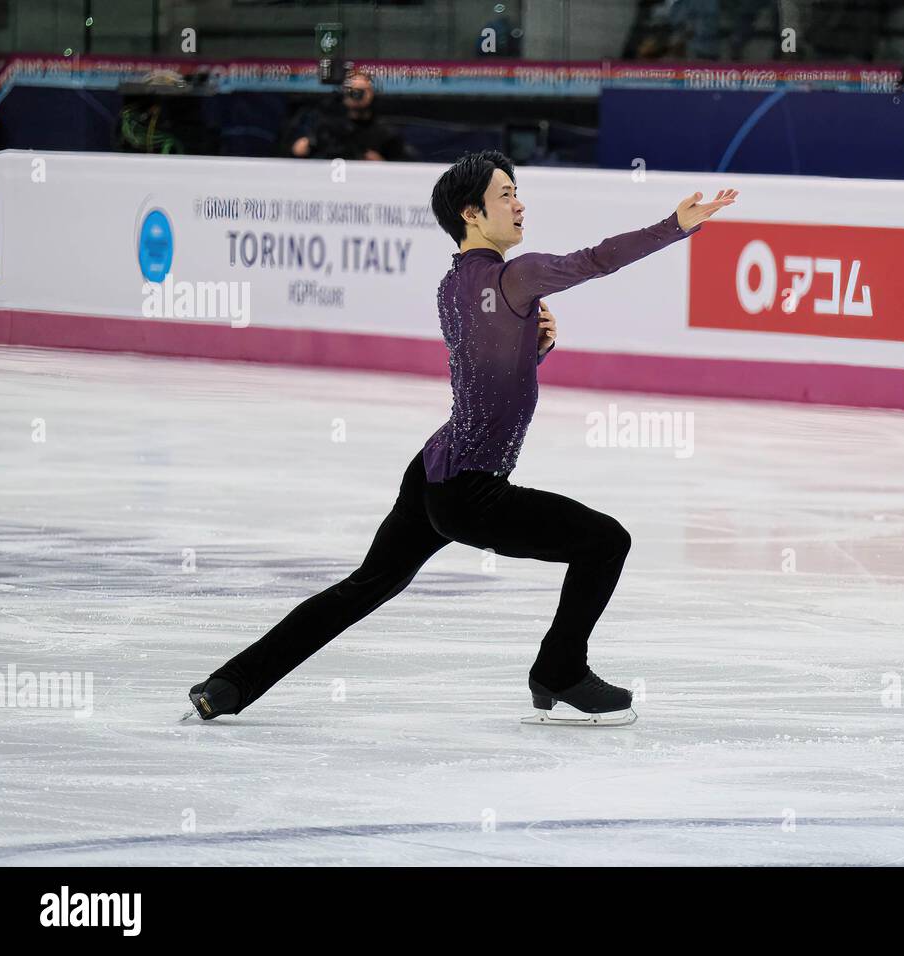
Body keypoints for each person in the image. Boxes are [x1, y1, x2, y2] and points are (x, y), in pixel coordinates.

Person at [185, 150, 738, 725]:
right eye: (505, 195)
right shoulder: (514, 276)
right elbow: (595, 261)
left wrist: (535, 351)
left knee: (363, 588)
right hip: (471, 491)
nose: (519, 203)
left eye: (517, 191)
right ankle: (559, 670)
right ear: (471, 213)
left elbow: (487, 380)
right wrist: (676, 227)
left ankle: (228, 685)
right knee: (605, 543)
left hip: (432, 472)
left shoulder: (453, 285)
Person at [288, 70, 407, 162]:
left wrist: (382, 164)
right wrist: (301, 148)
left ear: (371, 93)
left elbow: (405, 166)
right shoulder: (328, 127)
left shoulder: (385, 132)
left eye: (361, 91)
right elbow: (298, 154)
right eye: (352, 91)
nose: (356, 95)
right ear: (344, 94)